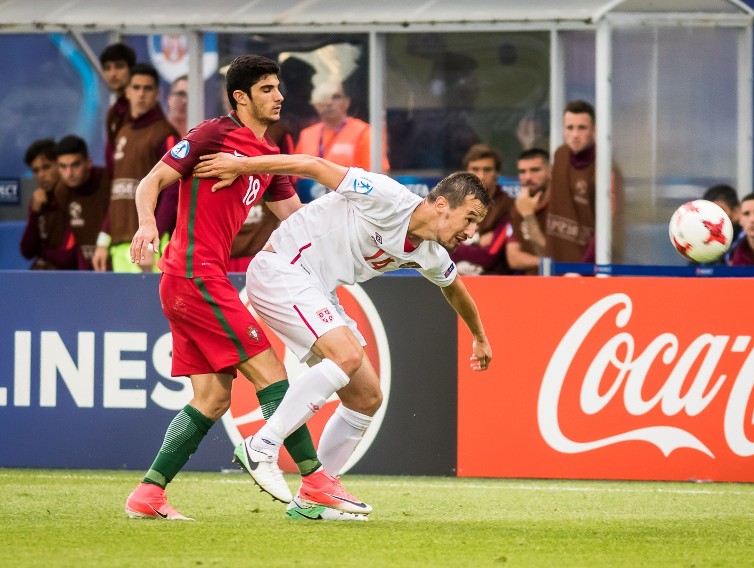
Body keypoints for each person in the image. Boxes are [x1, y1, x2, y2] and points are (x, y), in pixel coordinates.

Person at [125, 54, 365, 522]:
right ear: (241, 97)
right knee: (273, 374)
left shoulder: (268, 155)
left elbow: (298, 222)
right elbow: (151, 182)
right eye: (268, 89)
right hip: (194, 275)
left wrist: (354, 237)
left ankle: (148, 494)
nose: (280, 97)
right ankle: (314, 481)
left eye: (279, 88)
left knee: (212, 399)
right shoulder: (213, 134)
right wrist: (146, 225)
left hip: (193, 280)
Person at [193, 151, 494, 520]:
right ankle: (262, 445)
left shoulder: (431, 251)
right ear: (443, 205)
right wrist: (241, 166)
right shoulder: (388, 197)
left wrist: (479, 336)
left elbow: (454, 287)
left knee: (366, 396)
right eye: (470, 218)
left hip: (317, 290)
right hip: (282, 268)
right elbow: (313, 166)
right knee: (346, 356)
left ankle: (313, 494)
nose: (471, 231)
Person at [93, 63, 180, 273]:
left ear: (157, 94)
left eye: (147, 88)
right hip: (120, 244)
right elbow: (117, 191)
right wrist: (103, 240)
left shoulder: (166, 134)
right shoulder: (122, 132)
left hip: (151, 244)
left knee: (153, 306)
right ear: (127, 92)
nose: (141, 94)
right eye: (136, 87)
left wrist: (152, 241)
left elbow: (172, 192)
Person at [546, 100, 624, 264]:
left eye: (582, 128)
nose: (575, 134)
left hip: (586, 267)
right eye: (570, 128)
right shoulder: (560, 155)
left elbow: (608, 222)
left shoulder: (605, 166)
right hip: (556, 262)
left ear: (594, 130)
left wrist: (583, 268)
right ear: (563, 130)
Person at [295, 81, 389, 172]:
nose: (329, 102)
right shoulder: (306, 135)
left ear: (346, 102)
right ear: (315, 104)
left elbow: (376, 176)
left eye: (336, 97)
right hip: (310, 187)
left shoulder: (364, 132)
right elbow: (295, 174)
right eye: (323, 97)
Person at [450, 144, 513, 275]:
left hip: (492, 282)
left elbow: (489, 256)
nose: (481, 176)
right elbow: (438, 248)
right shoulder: (454, 204)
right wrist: (478, 242)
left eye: (487, 170)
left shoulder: (508, 206)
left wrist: (454, 244)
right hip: (454, 281)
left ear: (497, 173)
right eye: (475, 169)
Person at [55, 135, 111, 270]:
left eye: (75, 165)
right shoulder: (61, 191)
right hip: (87, 268)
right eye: (63, 167)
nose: (69, 173)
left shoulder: (108, 181)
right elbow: (76, 238)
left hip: (118, 263)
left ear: (88, 162)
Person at [19, 139, 76, 270]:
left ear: (59, 165)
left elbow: (67, 258)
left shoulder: (73, 198)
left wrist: (42, 251)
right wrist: (35, 213)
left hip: (70, 277)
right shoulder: (38, 201)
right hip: (43, 275)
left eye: (46, 167)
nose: (41, 175)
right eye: (36, 170)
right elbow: (27, 251)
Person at [507, 148, 550, 275]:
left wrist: (528, 216)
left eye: (535, 170)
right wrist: (546, 262)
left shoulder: (560, 204)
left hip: (563, 280)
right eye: (522, 172)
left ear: (550, 170)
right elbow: (513, 258)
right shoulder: (518, 205)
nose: (528, 177)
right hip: (529, 281)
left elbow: (548, 252)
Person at [100, 43, 137, 175]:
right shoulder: (112, 112)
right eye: (107, 68)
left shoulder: (140, 108)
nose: (113, 73)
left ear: (131, 69)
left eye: (119, 66)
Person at [696, 184, 742, 266]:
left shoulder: (748, 242)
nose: (714, 218)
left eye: (721, 210)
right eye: (710, 212)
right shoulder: (699, 240)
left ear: (736, 212)